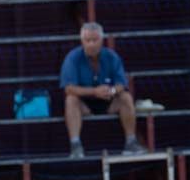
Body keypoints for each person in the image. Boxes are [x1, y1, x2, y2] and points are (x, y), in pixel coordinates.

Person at [61, 22, 143, 158]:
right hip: (84, 104)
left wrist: (110, 91)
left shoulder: (112, 56)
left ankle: (131, 142)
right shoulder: (72, 58)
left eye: (95, 40)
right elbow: (69, 88)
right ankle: (75, 145)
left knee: (126, 97)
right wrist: (94, 92)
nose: (91, 44)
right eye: (88, 40)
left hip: (108, 100)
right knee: (70, 100)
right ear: (82, 41)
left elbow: (122, 84)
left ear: (102, 40)